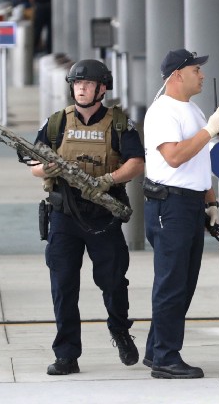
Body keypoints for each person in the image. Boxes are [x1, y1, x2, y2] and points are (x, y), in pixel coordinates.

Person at [30, 59, 145, 376]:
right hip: (64, 216)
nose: (80, 88)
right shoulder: (56, 123)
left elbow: (137, 162)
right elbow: (33, 162)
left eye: (88, 83)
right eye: (77, 83)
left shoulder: (119, 124)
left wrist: (108, 181)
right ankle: (66, 354)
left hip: (102, 215)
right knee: (63, 286)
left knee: (113, 282)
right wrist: (47, 169)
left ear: (102, 88)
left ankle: (120, 330)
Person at [142, 48, 219, 379]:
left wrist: (210, 200)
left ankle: (156, 350)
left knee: (183, 281)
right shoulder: (163, 112)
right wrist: (208, 131)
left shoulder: (191, 109)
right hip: (171, 205)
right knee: (172, 282)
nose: (202, 75)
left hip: (189, 203)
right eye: (196, 69)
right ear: (177, 75)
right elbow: (175, 157)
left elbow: (199, 161)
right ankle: (166, 356)